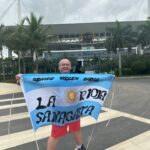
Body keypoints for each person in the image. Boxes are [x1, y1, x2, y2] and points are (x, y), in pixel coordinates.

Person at [16, 58, 86, 150]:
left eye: (67, 64)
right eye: (63, 64)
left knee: (76, 129)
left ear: (70, 67)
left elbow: (92, 81)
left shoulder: (78, 78)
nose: (65, 66)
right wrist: (23, 77)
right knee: (55, 135)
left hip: (74, 110)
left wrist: (108, 78)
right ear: (59, 67)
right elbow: (38, 80)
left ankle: (79, 147)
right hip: (59, 112)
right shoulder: (53, 78)